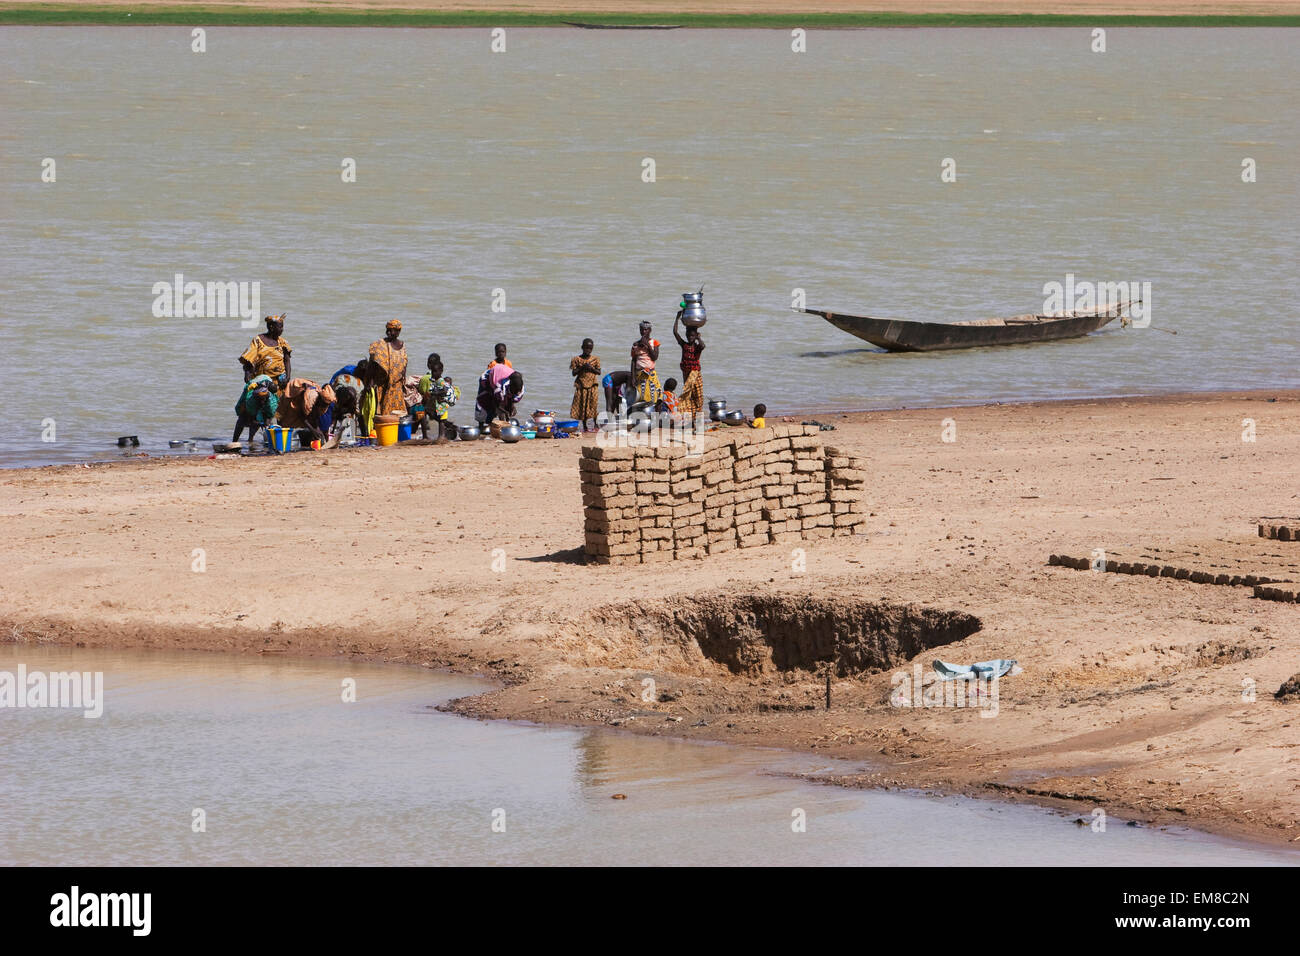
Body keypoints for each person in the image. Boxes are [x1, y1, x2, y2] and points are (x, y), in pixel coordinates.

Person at [277, 378, 337, 446]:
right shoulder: (311, 397)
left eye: (327, 405)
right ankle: (279, 442)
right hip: (293, 393)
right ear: (320, 399)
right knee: (285, 420)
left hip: (303, 399)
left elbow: (315, 416)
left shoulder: (325, 403)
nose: (325, 406)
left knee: (312, 425)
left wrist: (318, 430)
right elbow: (302, 416)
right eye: (324, 404)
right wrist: (313, 430)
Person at [369, 320, 408, 417]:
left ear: (398, 332)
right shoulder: (381, 344)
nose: (389, 333)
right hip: (383, 384)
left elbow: (404, 363)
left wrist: (403, 380)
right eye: (388, 330)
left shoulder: (402, 345)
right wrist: (371, 381)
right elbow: (373, 364)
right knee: (383, 412)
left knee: (398, 413)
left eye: (392, 330)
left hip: (397, 385)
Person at [418, 353, 460, 441]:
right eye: (433, 372)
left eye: (434, 372)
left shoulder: (438, 380)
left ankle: (437, 436)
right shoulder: (437, 379)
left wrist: (435, 393)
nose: (433, 373)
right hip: (438, 404)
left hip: (439, 404)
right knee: (441, 419)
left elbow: (443, 390)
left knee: (439, 419)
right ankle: (441, 435)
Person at [239, 314, 291, 385]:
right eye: (280, 327)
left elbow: (287, 360)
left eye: (282, 327)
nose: (282, 329)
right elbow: (248, 361)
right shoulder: (258, 341)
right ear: (271, 327)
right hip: (261, 381)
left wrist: (287, 378)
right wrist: (247, 374)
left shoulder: (282, 342)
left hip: (280, 381)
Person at [673, 313, 705, 418]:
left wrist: (699, 338)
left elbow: (703, 345)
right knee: (687, 394)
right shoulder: (684, 345)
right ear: (686, 335)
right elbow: (675, 332)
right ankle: (690, 416)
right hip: (686, 373)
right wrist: (677, 318)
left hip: (695, 373)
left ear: (695, 336)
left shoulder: (697, 347)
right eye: (689, 335)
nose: (690, 337)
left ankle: (697, 415)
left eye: (692, 336)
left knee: (698, 396)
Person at [232, 375, 280, 443]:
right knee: (242, 419)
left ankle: (259, 441)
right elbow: (249, 412)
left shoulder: (271, 402)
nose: (261, 401)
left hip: (266, 384)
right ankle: (234, 442)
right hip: (253, 386)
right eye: (259, 399)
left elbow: (270, 414)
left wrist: (266, 421)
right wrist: (254, 420)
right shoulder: (250, 399)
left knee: (267, 422)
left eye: (263, 399)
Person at [569, 338, 602, 432]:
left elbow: (599, 372)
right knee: (583, 406)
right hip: (581, 385)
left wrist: (591, 368)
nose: (588, 350)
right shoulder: (576, 359)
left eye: (590, 348)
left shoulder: (595, 359)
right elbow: (574, 373)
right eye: (586, 348)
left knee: (593, 405)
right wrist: (582, 367)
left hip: (593, 385)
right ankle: (585, 426)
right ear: (582, 347)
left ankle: (595, 424)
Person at [631, 321, 661, 405]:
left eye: (646, 330)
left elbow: (654, 357)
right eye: (642, 330)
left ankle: (652, 415)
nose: (643, 332)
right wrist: (633, 377)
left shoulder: (654, 343)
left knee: (653, 397)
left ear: (650, 330)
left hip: (651, 374)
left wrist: (647, 345)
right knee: (640, 397)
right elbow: (633, 361)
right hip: (639, 374)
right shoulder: (635, 344)